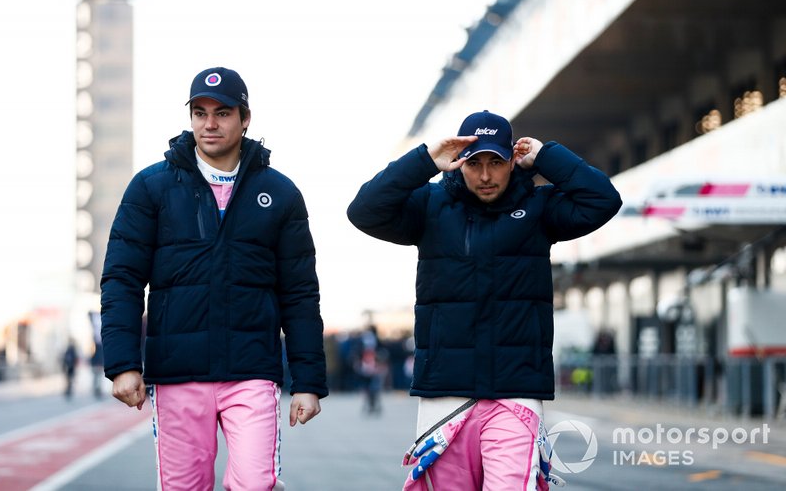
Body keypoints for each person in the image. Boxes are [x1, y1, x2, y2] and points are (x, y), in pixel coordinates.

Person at [347, 110, 622, 490]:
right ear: (461, 161)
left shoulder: (540, 208)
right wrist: (425, 158)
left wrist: (546, 156)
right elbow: (363, 210)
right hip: (445, 393)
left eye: (496, 161)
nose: (486, 175)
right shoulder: (430, 205)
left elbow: (603, 200)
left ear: (513, 159)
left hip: (517, 392)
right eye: (475, 163)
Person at [100, 66, 327, 491]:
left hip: (252, 372)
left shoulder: (280, 193)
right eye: (199, 112)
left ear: (245, 118)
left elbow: (299, 294)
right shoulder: (151, 188)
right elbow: (122, 280)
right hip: (177, 374)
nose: (209, 123)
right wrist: (123, 365)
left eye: (223, 112)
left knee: (257, 483)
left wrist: (308, 382)